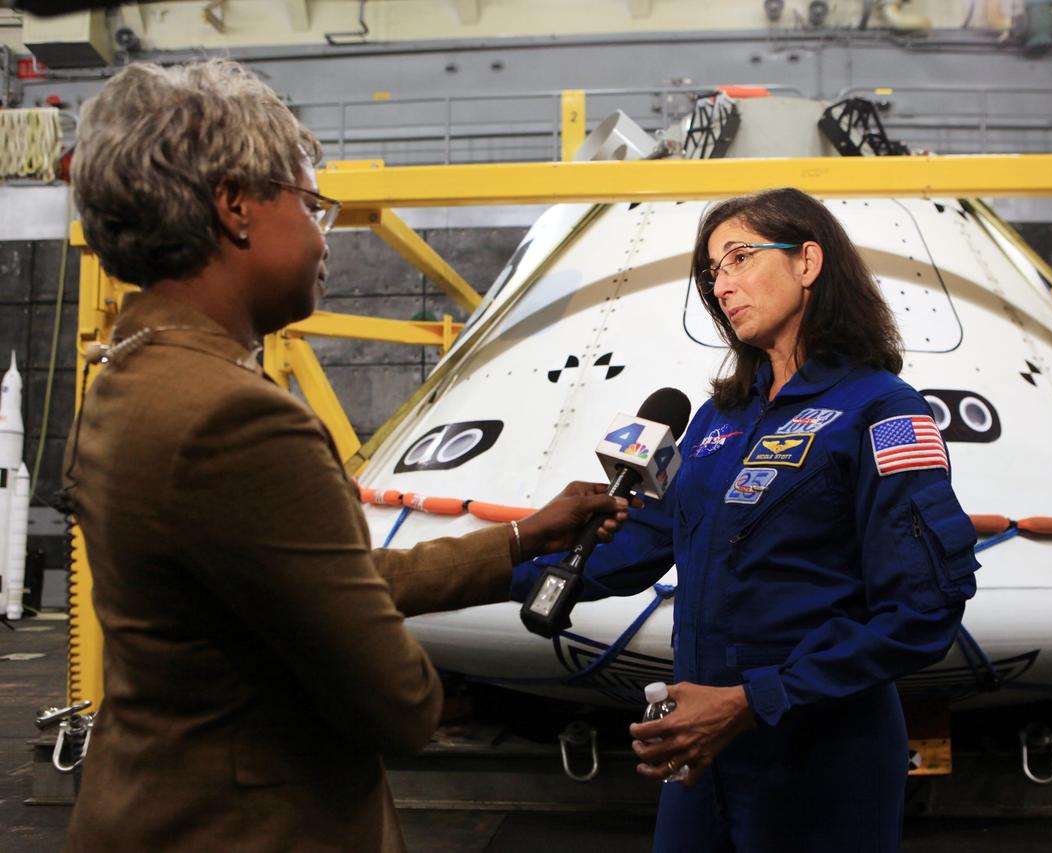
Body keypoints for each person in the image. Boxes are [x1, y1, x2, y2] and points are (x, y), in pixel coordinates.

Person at [63, 59, 630, 852]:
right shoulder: (239, 419)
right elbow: (394, 699)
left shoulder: (130, 373)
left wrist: (520, 538)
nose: (323, 237)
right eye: (313, 204)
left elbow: (318, 579)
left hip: (146, 804)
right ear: (236, 207)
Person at [513, 188, 980, 852]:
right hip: (702, 755)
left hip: (817, 759)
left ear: (808, 262)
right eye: (712, 271)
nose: (722, 284)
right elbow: (640, 542)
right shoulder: (716, 420)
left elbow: (923, 611)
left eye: (738, 258)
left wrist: (749, 701)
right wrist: (492, 565)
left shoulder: (883, 412)